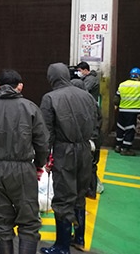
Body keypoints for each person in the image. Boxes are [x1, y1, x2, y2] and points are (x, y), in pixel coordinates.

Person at [0, 69, 49, 254]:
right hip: (23, 169)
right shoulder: (30, 107)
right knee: (28, 221)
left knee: (1, 220)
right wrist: (39, 164)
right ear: (19, 86)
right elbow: (42, 141)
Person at [39, 63, 98, 254]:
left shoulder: (50, 98)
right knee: (80, 195)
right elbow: (96, 122)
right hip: (85, 150)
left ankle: (62, 247)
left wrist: (43, 159)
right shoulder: (87, 96)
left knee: (63, 197)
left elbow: (46, 134)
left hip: (65, 152)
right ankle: (79, 237)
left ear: (51, 78)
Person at [71, 79, 103, 201]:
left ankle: (89, 191)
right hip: (92, 139)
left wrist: (91, 140)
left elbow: (95, 122)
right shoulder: (89, 100)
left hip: (91, 140)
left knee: (90, 166)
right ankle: (88, 191)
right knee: (89, 166)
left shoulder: (87, 102)